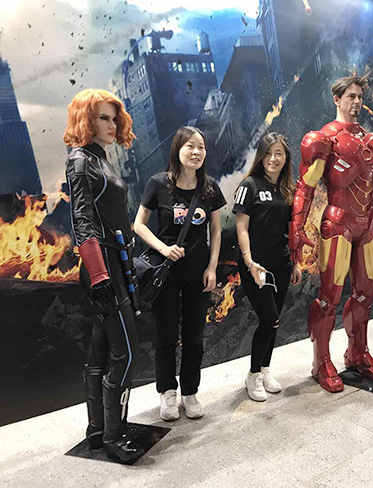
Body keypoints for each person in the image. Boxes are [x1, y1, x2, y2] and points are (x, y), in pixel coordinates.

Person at [289, 71, 373, 393]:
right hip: (337, 222)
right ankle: (321, 361)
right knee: (329, 297)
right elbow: (305, 188)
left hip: (367, 224)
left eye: (360, 97)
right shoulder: (324, 139)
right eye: (351, 96)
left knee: (366, 293)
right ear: (337, 99)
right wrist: (297, 230)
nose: (357, 102)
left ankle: (357, 352)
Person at [63, 88, 143, 463]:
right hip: (103, 267)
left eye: (114, 118)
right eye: (103, 118)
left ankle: (97, 430)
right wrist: (99, 275)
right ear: (87, 119)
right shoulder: (82, 161)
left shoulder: (99, 158)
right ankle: (114, 435)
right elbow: (81, 221)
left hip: (112, 261)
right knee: (125, 353)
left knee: (102, 349)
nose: (112, 125)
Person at [133, 126, 225, 420]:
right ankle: (167, 392)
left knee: (195, 336)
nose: (196, 152)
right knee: (167, 336)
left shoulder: (209, 187)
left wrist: (212, 267)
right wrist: (163, 248)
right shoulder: (158, 184)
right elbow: (138, 225)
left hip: (198, 274)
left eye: (201, 147)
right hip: (167, 275)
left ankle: (190, 392)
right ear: (178, 150)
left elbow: (216, 230)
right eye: (190, 146)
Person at [233, 132, 302, 402]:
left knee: (275, 322)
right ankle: (252, 375)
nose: (273, 159)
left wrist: (294, 263)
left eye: (279, 154)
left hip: (281, 264)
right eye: (268, 153)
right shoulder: (249, 185)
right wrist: (249, 260)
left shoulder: (288, 190)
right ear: (261, 156)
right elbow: (242, 227)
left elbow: (290, 231)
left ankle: (264, 369)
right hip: (256, 266)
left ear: (286, 158)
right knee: (269, 319)